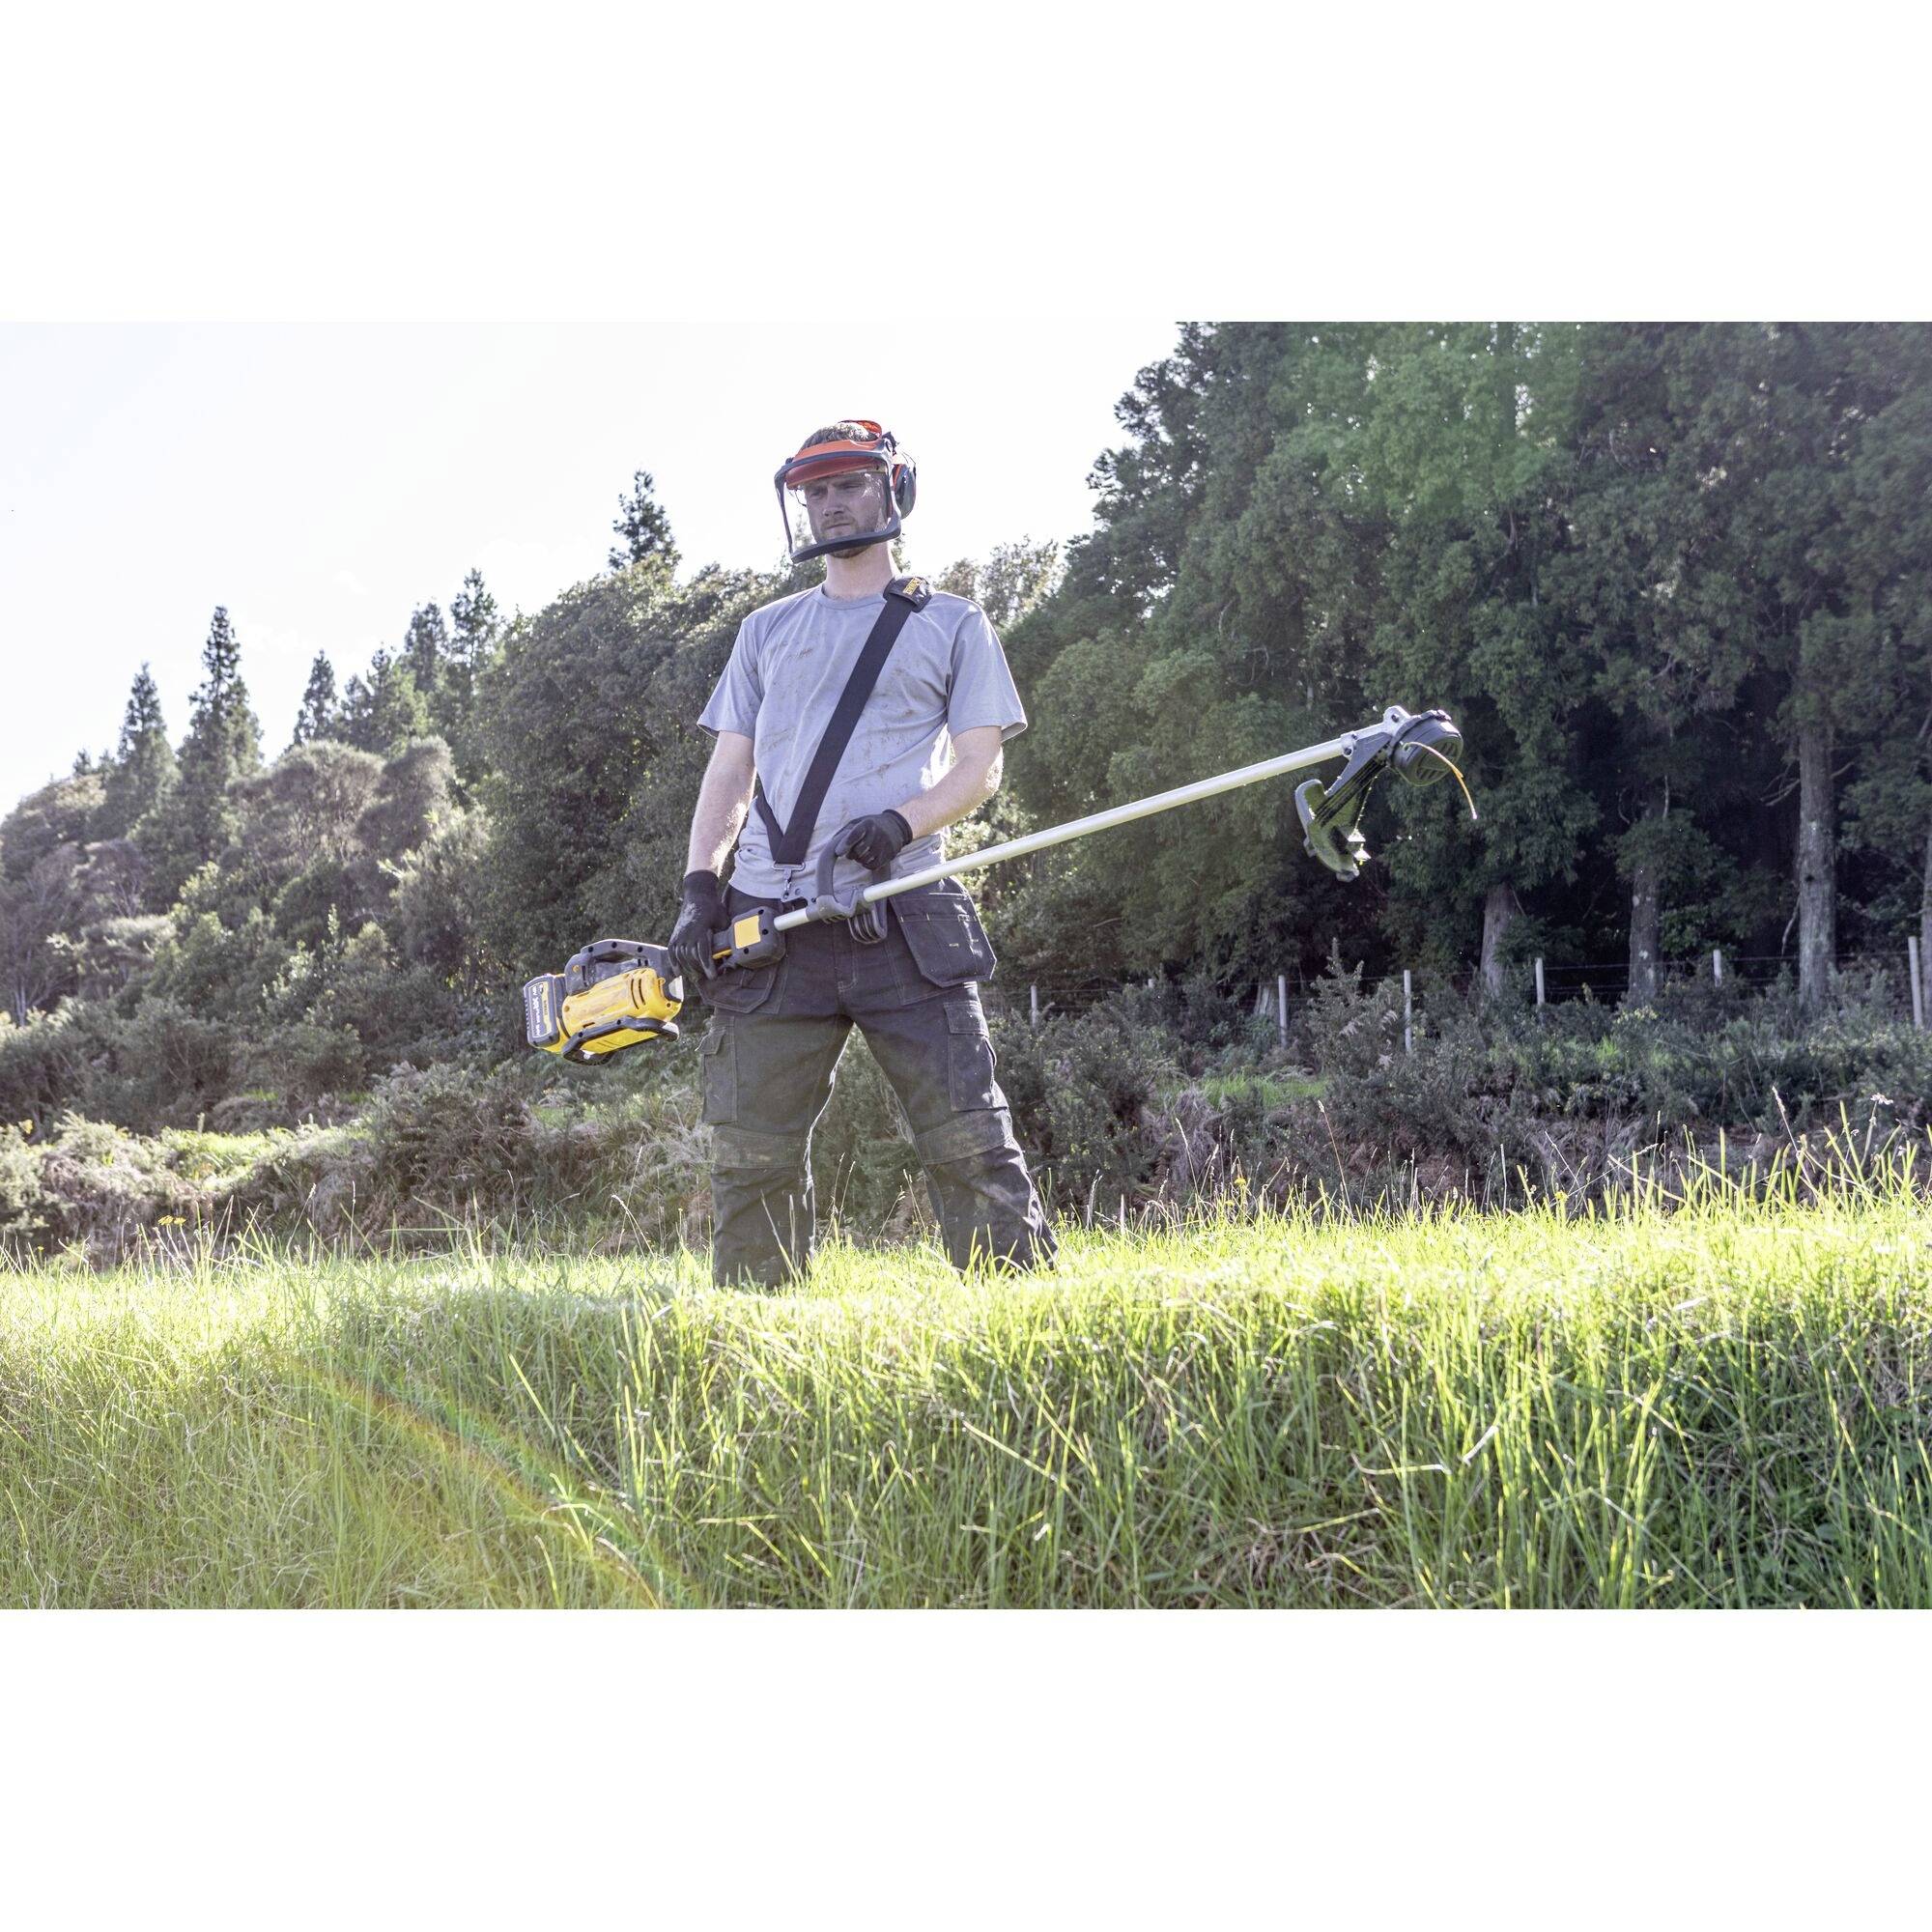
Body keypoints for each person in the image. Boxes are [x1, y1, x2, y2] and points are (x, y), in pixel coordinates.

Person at [669, 418, 1057, 1289]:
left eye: (847, 484)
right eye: (814, 491)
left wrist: (902, 824)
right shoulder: (765, 633)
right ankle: (758, 1336)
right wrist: (702, 886)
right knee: (750, 1155)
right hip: (771, 928)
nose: (830, 505)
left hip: (904, 916)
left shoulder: (952, 623)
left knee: (967, 1136)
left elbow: (981, 767)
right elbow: (730, 767)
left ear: (892, 490)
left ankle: (1020, 1323)